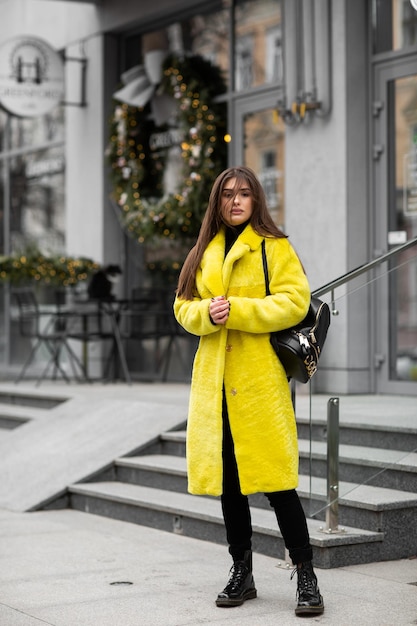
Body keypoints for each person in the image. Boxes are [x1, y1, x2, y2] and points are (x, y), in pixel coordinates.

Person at [173, 165, 324, 617]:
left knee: (278, 482)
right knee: (230, 486)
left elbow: (296, 301)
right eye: (227, 195)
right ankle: (242, 570)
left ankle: (307, 574)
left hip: (259, 384)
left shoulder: (274, 247)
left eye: (243, 194)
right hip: (215, 382)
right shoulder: (203, 251)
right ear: (217, 203)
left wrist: (234, 310)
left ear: (256, 200)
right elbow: (183, 306)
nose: (235, 201)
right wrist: (206, 315)